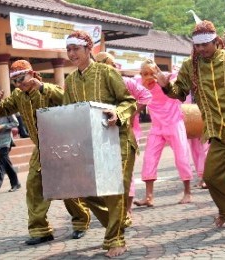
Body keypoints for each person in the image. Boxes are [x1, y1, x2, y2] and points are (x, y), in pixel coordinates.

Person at [156, 20, 225, 239]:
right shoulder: (191, 66)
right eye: (197, 45)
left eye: (206, 44)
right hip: (217, 131)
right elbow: (179, 93)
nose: (201, 49)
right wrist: (165, 86)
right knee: (212, 177)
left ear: (216, 42)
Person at [0, 60, 90, 245]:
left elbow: (68, 100)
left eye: (22, 78)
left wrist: (42, 87)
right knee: (34, 187)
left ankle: (81, 222)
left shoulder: (48, 88)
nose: (20, 83)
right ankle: (40, 230)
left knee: (68, 188)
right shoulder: (19, 95)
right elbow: (4, 110)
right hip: (41, 148)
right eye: (15, 81)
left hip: (62, 146)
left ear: (32, 74)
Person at [64, 30, 137, 258]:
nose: (72, 53)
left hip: (119, 140)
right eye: (69, 49)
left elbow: (129, 101)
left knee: (115, 189)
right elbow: (69, 113)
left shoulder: (107, 72)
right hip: (91, 145)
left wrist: (118, 112)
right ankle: (117, 223)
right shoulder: (70, 80)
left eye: (76, 48)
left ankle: (115, 238)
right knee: (86, 191)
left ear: (89, 49)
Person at [95, 51, 152, 221]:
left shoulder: (125, 81)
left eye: (109, 66)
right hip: (104, 133)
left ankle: (127, 209)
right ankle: (113, 210)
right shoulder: (96, 84)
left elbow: (146, 96)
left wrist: (132, 113)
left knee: (126, 172)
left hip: (128, 131)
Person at [133, 59, 193, 207]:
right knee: (149, 159)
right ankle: (149, 197)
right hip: (157, 127)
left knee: (181, 158)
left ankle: (187, 193)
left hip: (174, 124)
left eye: (151, 73)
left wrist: (162, 78)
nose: (149, 77)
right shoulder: (139, 84)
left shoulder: (166, 78)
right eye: (145, 74)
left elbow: (180, 78)